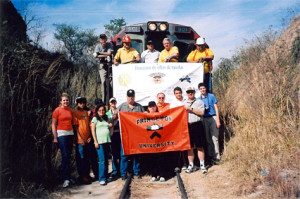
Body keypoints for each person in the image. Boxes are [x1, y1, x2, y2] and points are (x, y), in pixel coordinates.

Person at [115, 89, 144, 180]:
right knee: (124, 154)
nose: (131, 98)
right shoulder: (121, 106)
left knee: (137, 154)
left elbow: (144, 119)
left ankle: (137, 171)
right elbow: (114, 117)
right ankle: (123, 173)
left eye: (132, 96)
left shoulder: (139, 107)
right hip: (125, 135)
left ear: (134, 97)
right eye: (129, 96)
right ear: (126, 97)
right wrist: (115, 115)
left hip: (136, 135)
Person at [51, 92, 74, 188]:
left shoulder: (70, 110)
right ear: (61, 101)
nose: (66, 102)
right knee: (64, 155)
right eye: (64, 100)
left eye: (67, 100)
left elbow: (72, 122)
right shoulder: (57, 110)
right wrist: (55, 137)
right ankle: (65, 179)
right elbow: (53, 124)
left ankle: (69, 177)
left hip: (70, 134)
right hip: (61, 135)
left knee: (68, 156)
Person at [183, 87, 207, 174]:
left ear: (194, 92)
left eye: (191, 92)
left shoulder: (199, 102)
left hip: (197, 125)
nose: (190, 93)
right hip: (187, 126)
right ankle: (191, 165)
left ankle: (202, 165)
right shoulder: (183, 103)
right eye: (188, 92)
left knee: (200, 146)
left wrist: (191, 109)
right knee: (190, 147)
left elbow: (201, 113)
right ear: (186, 93)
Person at [198, 83, 221, 165]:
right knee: (208, 139)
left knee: (215, 137)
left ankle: (217, 157)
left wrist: (218, 120)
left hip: (213, 117)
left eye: (203, 88)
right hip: (204, 119)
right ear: (199, 90)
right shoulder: (198, 99)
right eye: (201, 89)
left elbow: (216, 108)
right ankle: (211, 156)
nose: (202, 90)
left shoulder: (211, 96)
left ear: (206, 89)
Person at [91, 104, 113, 185]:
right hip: (99, 142)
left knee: (106, 160)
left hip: (107, 141)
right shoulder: (95, 119)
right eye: (100, 110)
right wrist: (95, 141)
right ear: (97, 111)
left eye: (103, 110)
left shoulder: (106, 118)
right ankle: (101, 178)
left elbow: (110, 127)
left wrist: (111, 132)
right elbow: (93, 131)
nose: (101, 111)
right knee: (102, 160)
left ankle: (106, 176)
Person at [73, 97, 92, 184]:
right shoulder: (75, 113)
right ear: (77, 104)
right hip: (80, 140)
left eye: (83, 103)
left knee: (87, 158)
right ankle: (82, 176)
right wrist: (79, 138)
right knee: (81, 158)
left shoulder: (86, 112)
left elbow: (89, 125)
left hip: (87, 139)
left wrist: (89, 137)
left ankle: (87, 175)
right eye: (80, 103)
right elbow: (75, 127)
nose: (82, 104)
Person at [147, 101, 167, 182]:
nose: (152, 108)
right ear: (148, 108)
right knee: (152, 158)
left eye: (153, 106)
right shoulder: (145, 116)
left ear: (156, 107)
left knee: (161, 158)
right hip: (150, 142)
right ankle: (154, 175)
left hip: (160, 141)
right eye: (150, 107)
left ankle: (162, 175)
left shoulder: (161, 115)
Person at [170, 87, 188, 170]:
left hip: (186, 124)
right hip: (177, 126)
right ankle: (177, 164)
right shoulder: (173, 103)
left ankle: (185, 163)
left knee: (185, 145)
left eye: (179, 93)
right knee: (178, 146)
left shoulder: (186, 101)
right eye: (177, 93)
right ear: (174, 94)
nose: (178, 94)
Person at [93, 34, 113, 102]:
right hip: (102, 66)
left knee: (111, 83)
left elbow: (109, 53)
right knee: (103, 83)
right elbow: (95, 56)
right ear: (100, 40)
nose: (103, 40)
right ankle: (104, 101)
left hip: (110, 65)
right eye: (102, 39)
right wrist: (106, 54)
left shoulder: (109, 44)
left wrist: (100, 53)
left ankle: (111, 100)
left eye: (104, 38)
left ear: (106, 39)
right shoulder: (98, 46)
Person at [106, 97, 121, 179]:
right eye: (112, 102)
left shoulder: (119, 111)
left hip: (119, 133)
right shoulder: (107, 113)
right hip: (111, 134)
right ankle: (115, 170)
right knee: (113, 153)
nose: (113, 103)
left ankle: (121, 170)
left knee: (120, 152)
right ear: (109, 103)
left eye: (114, 102)